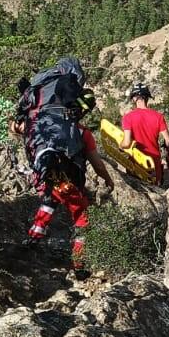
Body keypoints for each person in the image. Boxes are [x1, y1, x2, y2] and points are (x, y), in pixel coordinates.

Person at [14, 58, 112, 269]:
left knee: (50, 199)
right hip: (68, 173)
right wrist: (107, 180)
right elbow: (97, 164)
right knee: (82, 217)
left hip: (41, 159)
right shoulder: (81, 133)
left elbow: (17, 127)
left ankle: (33, 239)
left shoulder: (35, 103)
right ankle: (80, 265)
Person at [121, 82, 169, 186]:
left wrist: (120, 145)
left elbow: (126, 143)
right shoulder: (158, 116)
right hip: (154, 162)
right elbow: (168, 141)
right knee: (156, 191)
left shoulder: (128, 117)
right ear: (147, 98)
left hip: (136, 162)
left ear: (134, 99)